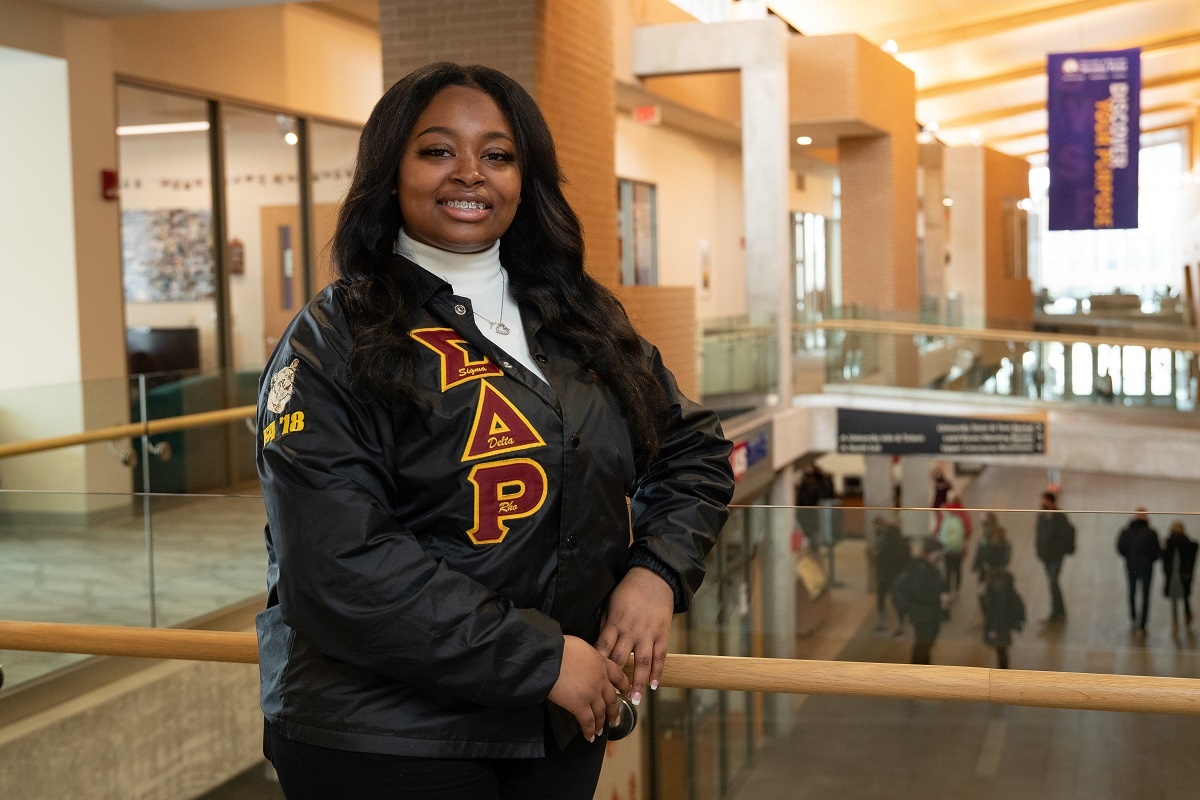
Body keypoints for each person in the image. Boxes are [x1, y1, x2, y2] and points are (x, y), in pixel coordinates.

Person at [254, 63, 735, 800]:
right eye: (438, 150)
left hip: (555, 722)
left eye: (498, 155)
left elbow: (693, 449)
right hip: (386, 736)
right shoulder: (335, 336)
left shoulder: (578, 317)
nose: (470, 174)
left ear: (525, 177)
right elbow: (339, 564)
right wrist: (539, 660)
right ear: (390, 172)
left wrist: (655, 574)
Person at [891, 538, 950, 665]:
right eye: (939, 552)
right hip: (923, 614)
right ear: (931, 552)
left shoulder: (930, 567)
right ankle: (918, 672)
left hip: (928, 614)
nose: (941, 555)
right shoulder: (920, 568)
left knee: (925, 645)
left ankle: (923, 670)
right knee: (923, 645)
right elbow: (918, 592)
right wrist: (938, 598)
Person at [1117, 508, 1162, 633]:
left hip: (1131, 567)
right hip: (1147, 568)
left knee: (1132, 592)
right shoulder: (1151, 533)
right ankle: (1143, 621)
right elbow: (1156, 552)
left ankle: (1133, 616)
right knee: (1146, 594)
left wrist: (1129, 557)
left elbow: (1120, 548)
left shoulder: (1126, 531)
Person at [1035, 491, 1075, 623]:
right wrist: (1039, 551)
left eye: (1045, 500)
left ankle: (1055, 612)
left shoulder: (1060, 517)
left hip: (1056, 556)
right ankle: (1060, 610)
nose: (1042, 503)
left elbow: (1067, 533)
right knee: (1053, 583)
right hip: (1046, 556)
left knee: (1053, 582)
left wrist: (1062, 549)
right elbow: (1039, 534)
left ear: (1052, 502)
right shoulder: (1041, 516)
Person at [869, 515, 911, 632]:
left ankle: (890, 623)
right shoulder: (897, 539)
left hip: (888, 573)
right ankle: (895, 624)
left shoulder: (890, 538)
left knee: (889, 598)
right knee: (890, 599)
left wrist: (877, 554)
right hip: (891, 574)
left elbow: (887, 555)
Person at [979, 568, 1025, 669]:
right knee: (1002, 650)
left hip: (998, 626)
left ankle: (1002, 672)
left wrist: (993, 628)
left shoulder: (994, 593)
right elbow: (1019, 608)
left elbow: (993, 612)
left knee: (1001, 650)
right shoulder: (1010, 591)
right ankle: (1003, 671)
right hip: (1005, 625)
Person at [1162, 521, 1198, 630]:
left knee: (1174, 600)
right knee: (1186, 597)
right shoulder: (1188, 542)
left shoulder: (1169, 542)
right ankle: (1187, 616)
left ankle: (1175, 621)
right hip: (1185, 574)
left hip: (1173, 575)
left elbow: (1164, 557)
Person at [935, 493, 972, 593]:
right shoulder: (963, 512)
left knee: (947, 569)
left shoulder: (943, 513)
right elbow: (968, 530)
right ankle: (957, 589)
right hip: (959, 548)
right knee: (958, 569)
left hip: (946, 547)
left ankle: (947, 590)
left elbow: (937, 529)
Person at [971, 512, 1012, 583]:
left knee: (987, 589)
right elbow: (1007, 550)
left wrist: (976, 565)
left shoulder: (985, 538)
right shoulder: (1001, 533)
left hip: (988, 570)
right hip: (1000, 569)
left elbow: (981, 552)